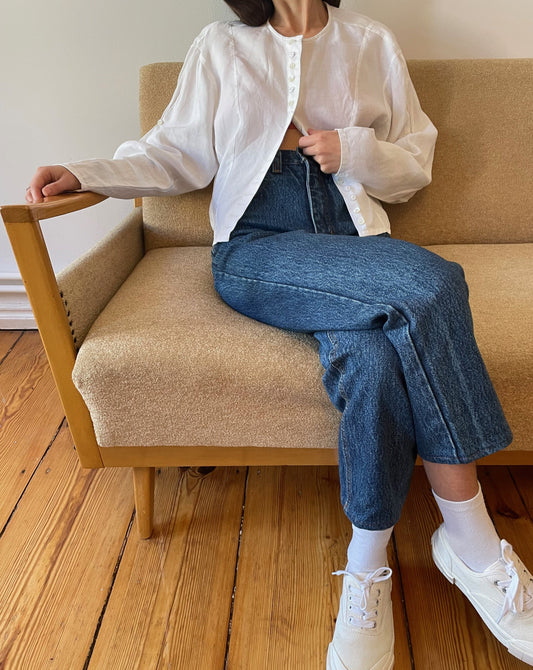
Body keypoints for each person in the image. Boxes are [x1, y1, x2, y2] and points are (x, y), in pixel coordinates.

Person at [26, 1, 533, 668]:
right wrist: (88, 173)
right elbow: (175, 152)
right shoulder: (221, 45)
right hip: (258, 250)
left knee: (376, 362)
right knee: (433, 283)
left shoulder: (369, 41)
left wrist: (353, 148)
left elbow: (413, 168)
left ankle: (366, 567)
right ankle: (471, 543)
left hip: (357, 246)